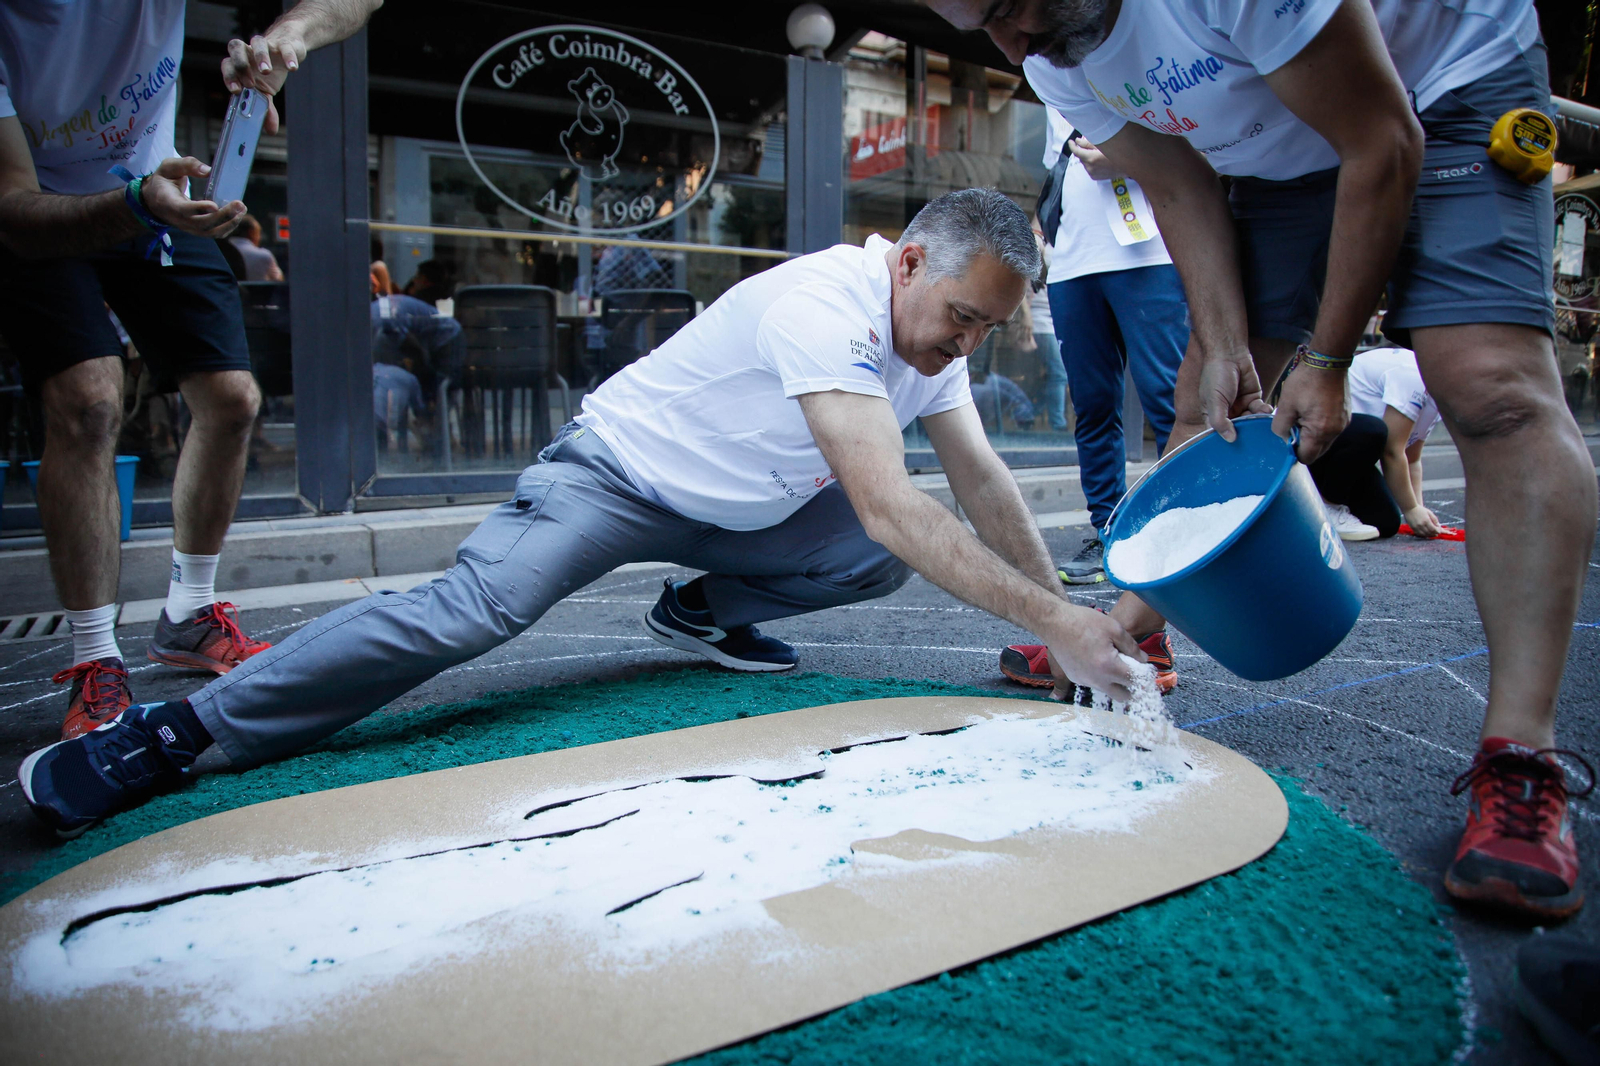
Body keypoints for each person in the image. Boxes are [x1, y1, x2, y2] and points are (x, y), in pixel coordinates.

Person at [19, 189, 1145, 838]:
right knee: (469, 613)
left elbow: (984, 481)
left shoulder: (926, 337)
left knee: (869, 562)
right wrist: (1064, 626)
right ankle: (171, 737)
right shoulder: (824, 305)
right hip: (612, 475)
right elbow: (897, 503)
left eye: (985, 330)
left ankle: (700, 612)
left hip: (737, 515)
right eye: (959, 316)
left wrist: (1058, 608)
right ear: (903, 263)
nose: (964, 344)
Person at [929, 0, 1598, 919]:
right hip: (1275, 153)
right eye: (982, 29)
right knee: (1212, 392)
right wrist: (1229, 345)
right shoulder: (1051, 46)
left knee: (1490, 384)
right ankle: (1133, 630)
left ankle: (1522, 758)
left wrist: (1327, 362)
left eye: (1009, 7)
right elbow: (1179, 189)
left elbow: (1382, 141)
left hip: (1434, 89)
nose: (1010, 45)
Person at [0, 0, 381, 740]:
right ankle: (92, 656)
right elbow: (12, 207)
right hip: (43, 204)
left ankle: (189, 616)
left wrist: (284, 43)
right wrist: (137, 203)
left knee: (233, 399)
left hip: (158, 189)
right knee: (88, 400)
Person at [1040, 109, 1189, 587]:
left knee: (1168, 399)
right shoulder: (1045, 76)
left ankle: (1186, 530)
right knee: (1093, 406)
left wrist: (1128, 158)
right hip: (1070, 261)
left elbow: (1198, 144)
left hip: (1148, 251)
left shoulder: (1134, 55)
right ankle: (1108, 532)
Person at [1310, 346, 1443, 541]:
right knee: (1374, 430)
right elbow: (1391, 451)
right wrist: (1410, 508)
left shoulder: (1439, 397)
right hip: (1312, 438)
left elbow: (1412, 459)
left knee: (1384, 523)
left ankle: (1321, 502)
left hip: (1340, 453)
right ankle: (1330, 505)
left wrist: (1418, 511)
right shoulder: (1414, 375)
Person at [227, 214, 282, 281]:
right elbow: (278, 279)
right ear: (251, 232)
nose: (260, 237)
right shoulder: (264, 255)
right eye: (258, 232)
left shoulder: (219, 251)